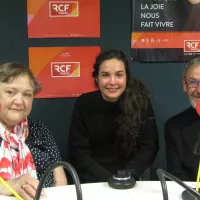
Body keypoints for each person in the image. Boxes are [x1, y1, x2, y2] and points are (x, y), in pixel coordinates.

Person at [69, 49, 159, 183]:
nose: (112, 82)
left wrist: (127, 175)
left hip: (132, 177)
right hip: (94, 179)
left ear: (126, 77)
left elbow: (150, 146)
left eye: (119, 75)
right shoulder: (84, 104)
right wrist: (107, 178)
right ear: (96, 78)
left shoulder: (140, 101)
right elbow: (78, 151)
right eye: (105, 75)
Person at [0, 63, 67, 200]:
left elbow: (60, 178)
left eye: (27, 94)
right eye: (10, 92)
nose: (19, 101)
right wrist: (11, 185)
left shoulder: (39, 128)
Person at [165, 56, 200, 181]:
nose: (199, 90)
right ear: (184, 85)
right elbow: (176, 174)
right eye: (193, 82)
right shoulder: (173, 126)